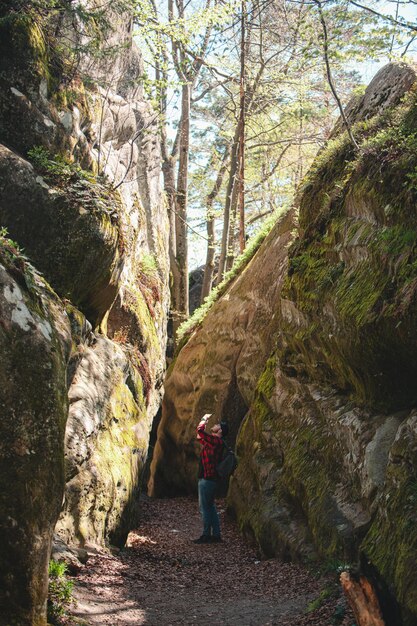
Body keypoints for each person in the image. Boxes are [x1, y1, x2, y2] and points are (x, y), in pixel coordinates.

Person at [193, 413, 229, 544]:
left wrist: (203, 419)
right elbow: (199, 436)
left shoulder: (217, 442)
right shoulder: (214, 442)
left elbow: (200, 431)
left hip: (207, 480)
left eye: (217, 425)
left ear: (220, 430)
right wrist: (204, 425)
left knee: (205, 508)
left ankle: (206, 535)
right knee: (211, 507)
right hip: (209, 479)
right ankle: (216, 535)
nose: (215, 424)